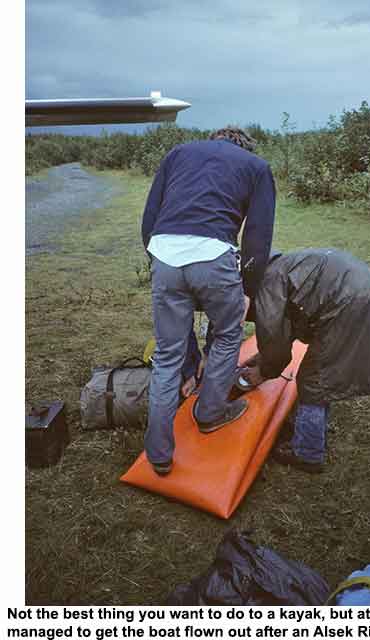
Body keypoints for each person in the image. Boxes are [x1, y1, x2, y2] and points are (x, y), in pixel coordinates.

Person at [141, 127, 276, 475]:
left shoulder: (177, 154)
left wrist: (159, 264)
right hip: (214, 257)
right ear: (243, 145)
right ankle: (210, 413)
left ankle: (158, 453)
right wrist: (247, 288)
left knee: (167, 355)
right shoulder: (256, 166)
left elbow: (149, 219)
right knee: (229, 334)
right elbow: (258, 237)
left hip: (164, 255)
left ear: (215, 139)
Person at [243, 248, 370, 473]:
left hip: (347, 302)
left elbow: (274, 337)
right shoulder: (280, 266)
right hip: (359, 287)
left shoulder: (268, 283)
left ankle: (307, 452)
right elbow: (295, 314)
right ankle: (314, 429)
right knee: (323, 372)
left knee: (314, 379)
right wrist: (261, 356)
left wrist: (263, 372)